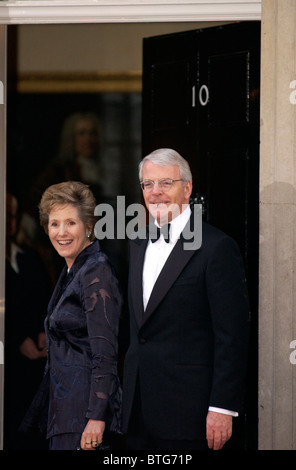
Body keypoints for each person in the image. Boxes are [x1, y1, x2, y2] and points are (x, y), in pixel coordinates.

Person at [122, 148, 250, 450]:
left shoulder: (217, 247)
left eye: (166, 183)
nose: (155, 193)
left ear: (187, 189)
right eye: (148, 184)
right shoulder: (137, 242)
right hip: (137, 411)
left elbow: (231, 335)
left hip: (190, 416)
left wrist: (222, 407)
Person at [21, 181, 122, 450]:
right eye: (54, 224)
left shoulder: (95, 270)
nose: (61, 233)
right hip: (65, 412)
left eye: (71, 223)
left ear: (89, 225)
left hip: (84, 419)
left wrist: (96, 418)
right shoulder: (73, 270)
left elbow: (105, 352)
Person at [4, 192, 50, 450]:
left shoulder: (29, 258)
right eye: (4, 216)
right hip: (6, 366)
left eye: (13, 215)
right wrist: (17, 339)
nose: (9, 222)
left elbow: (45, 303)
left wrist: (43, 331)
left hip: (34, 365)